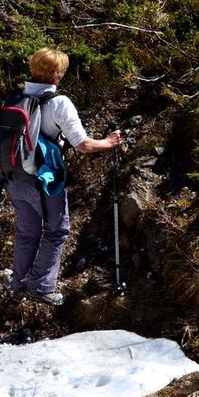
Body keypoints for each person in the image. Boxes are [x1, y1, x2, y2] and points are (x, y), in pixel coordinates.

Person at [8, 48, 122, 306]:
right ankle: (40, 286)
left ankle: (19, 285)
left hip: (14, 178)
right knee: (57, 231)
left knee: (27, 232)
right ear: (57, 74)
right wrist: (108, 142)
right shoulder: (59, 103)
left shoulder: (16, 98)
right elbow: (82, 145)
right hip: (43, 180)